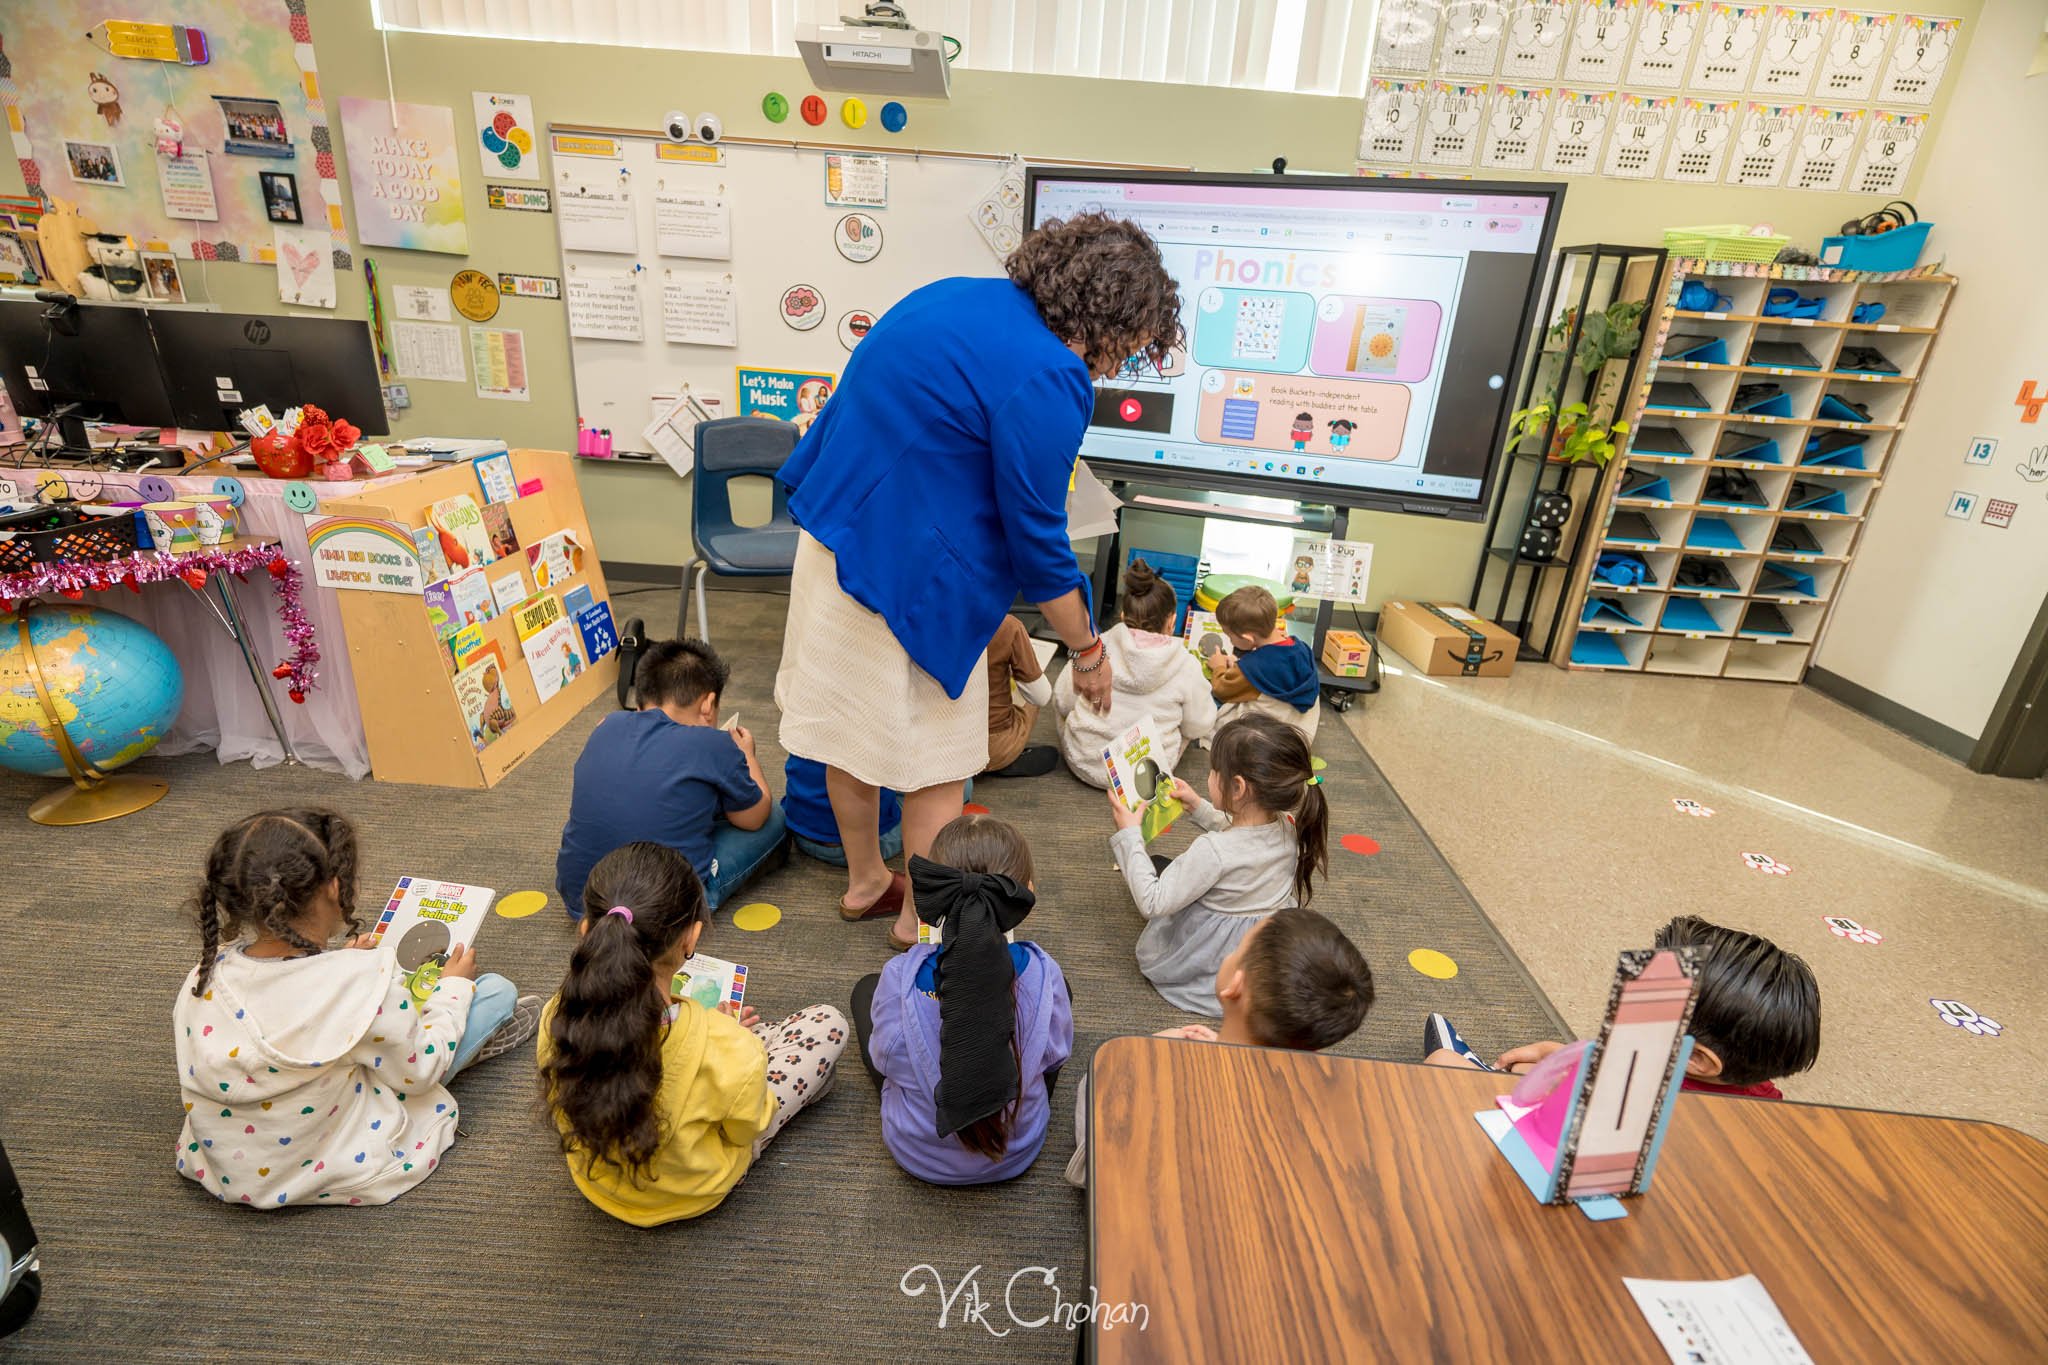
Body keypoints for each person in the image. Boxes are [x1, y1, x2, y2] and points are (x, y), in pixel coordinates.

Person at [774, 213, 1182, 951]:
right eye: (1132, 345)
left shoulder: (956, 295)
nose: (1119, 364)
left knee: (845, 735)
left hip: (835, 539)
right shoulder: (1052, 373)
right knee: (938, 765)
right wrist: (1088, 652)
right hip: (905, 579)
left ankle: (867, 878)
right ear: (1117, 322)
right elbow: (1037, 541)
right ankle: (916, 921)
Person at [174, 809, 539, 1208]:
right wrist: (453, 988)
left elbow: (284, 1001)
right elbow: (419, 1072)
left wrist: (335, 962)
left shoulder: (204, 974)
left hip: (230, 1165)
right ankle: (470, 1037)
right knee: (493, 992)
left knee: (369, 1036)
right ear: (334, 888)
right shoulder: (360, 982)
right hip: (339, 1163)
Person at [538, 843, 847, 1226]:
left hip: (598, 1183)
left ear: (586, 930)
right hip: (693, 1192)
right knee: (828, 1023)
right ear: (691, 938)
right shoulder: (731, 1048)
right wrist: (734, 1042)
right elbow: (744, 1130)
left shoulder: (558, 1013)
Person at [1064, 907, 1373, 1186]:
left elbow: (1097, 1156)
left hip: (1149, 1197)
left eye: (1238, 948)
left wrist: (1155, 1048)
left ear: (1234, 986)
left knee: (1099, 1078)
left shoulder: (1148, 1059)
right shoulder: (1336, 1102)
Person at [850, 815, 1072, 1185]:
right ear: (1026, 891)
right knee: (1055, 992)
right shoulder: (1045, 972)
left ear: (934, 892)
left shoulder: (898, 977)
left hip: (920, 1155)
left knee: (866, 991)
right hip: (1016, 1151)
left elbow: (883, 1058)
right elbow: (1056, 1054)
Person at [1423, 915, 1821, 1099]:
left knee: (1443, 1060)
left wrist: (1569, 1069)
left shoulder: (1633, 1100)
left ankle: (1478, 1074)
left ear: (1698, 1059)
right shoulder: (1760, 1095)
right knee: (1530, 1066)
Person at [1108, 713, 1328, 1015]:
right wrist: (1198, 807)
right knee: (1166, 867)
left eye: (1213, 771)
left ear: (1237, 787)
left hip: (1212, 962)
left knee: (1155, 874)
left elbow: (1153, 902)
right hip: (1259, 954)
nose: (1209, 776)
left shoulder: (1213, 852)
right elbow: (1242, 834)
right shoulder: (1288, 825)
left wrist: (1130, 835)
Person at [555, 639, 784, 917]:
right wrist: (747, 756)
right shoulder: (713, 743)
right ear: (708, 705)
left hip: (582, 900)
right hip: (663, 914)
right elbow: (754, 818)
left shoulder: (606, 725)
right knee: (774, 818)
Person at [1054, 558, 1216, 787]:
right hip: (1144, 777)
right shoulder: (1186, 664)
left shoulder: (1094, 649)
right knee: (1189, 724)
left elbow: (1063, 700)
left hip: (1085, 763)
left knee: (1066, 708)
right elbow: (1199, 725)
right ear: (1172, 622)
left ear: (1122, 616)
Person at [1205, 584, 1320, 743]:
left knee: (1208, 697)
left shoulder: (1251, 669)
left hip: (1267, 737)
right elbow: (1277, 667)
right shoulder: (1302, 648)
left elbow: (1221, 690)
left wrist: (1218, 667)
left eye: (1230, 636)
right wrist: (1241, 664)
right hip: (1299, 730)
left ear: (1247, 639)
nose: (1230, 640)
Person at [983, 614, 1057, 778]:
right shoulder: (1007, 626)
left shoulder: (924, 612)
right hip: (991, 744)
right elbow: (1041, 696)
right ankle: (1004, 760)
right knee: (1032, 693)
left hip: (937, 741)